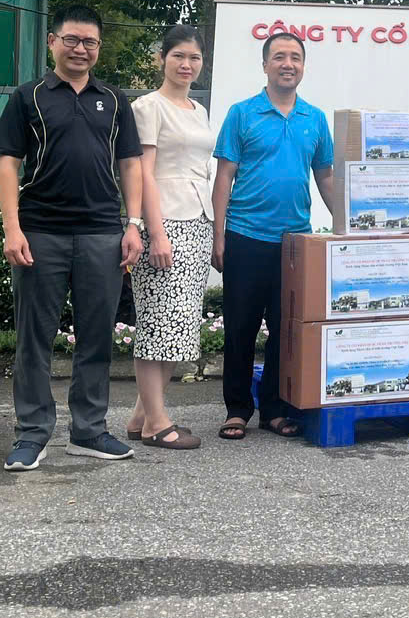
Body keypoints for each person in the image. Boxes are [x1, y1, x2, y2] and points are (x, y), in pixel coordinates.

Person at [0, 5, 144, 470]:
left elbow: (130, 164)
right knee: (34, 338)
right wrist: (12, 228)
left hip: (102, 233)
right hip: (40, 232)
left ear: (98, 48)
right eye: (72, 39)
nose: (80, 49)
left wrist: (133, 224)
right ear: (52, 42)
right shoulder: (28, 97)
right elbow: (8, 164)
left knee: (96, 337)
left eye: (89, 42)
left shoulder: (114, 100)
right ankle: (32, 433)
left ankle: (88, 430)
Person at [211, 31, 335, 440]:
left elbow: (325, 176)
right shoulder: (242, 113)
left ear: (303, 66)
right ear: (265, 65)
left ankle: (275, 410)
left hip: (295, 243)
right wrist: (218, 235)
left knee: (286, 330)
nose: (288, 64)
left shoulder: (314, 118)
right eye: (279, 56)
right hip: (245, 235)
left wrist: (348, 224)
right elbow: (224, 177)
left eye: (295, 57)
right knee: (240, 327)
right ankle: (237, 409)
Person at [126, 25, 213, 451]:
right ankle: (156, 423)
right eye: (178, 55)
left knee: (177, 326)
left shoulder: (198, 110)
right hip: (163, 223)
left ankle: (140, 416)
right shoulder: (147, 107)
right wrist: (155, 232)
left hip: (198, 220)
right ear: (162, 58)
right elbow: (142, 172)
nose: (186, 64)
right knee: (157, 323)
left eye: (194, 57)